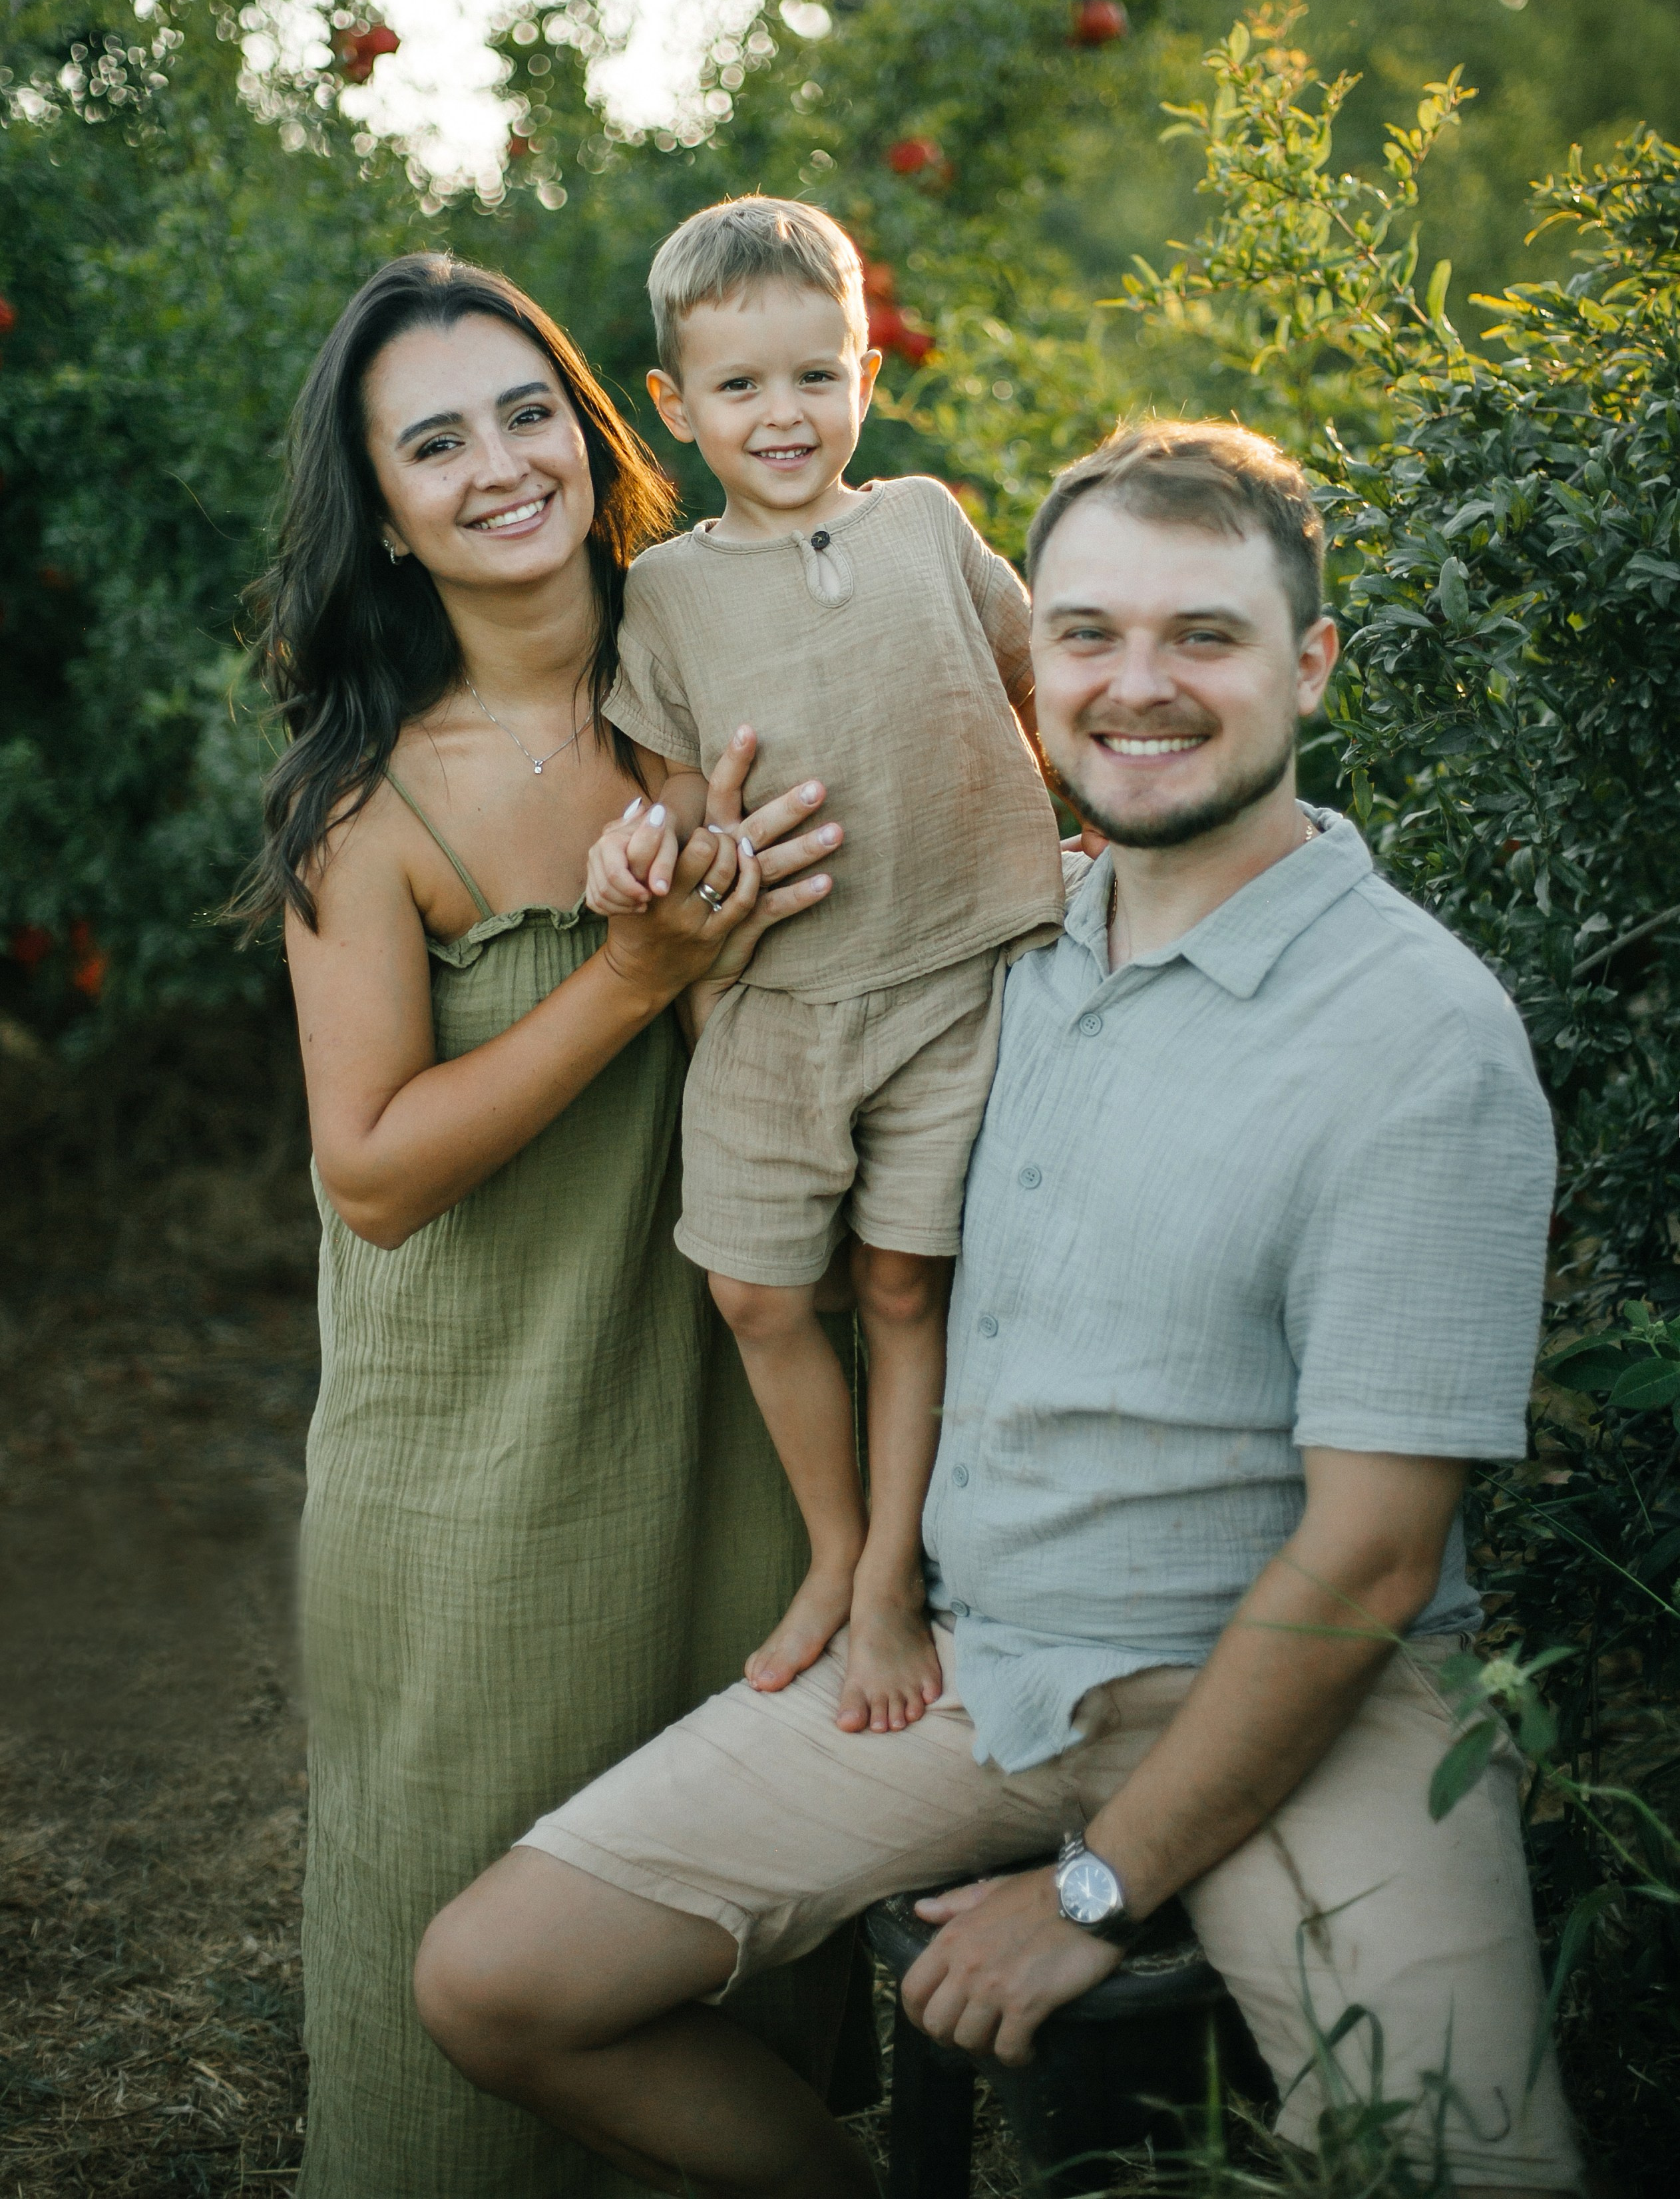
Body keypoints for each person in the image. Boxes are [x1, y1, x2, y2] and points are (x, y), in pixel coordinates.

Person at [414, 418, 1585, 2199]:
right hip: (980, 1668)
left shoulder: (1413, 1038)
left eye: (1205, 636)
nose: (1135, 686)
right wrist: (656, 883)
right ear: (1021, 653)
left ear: (1310, 664)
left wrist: (1092, 1891)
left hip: (1308, 1686)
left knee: (1458, 2172)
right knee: (497, 1983)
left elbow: (1366, 1559)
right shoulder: (1001, 946)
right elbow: (729, 956)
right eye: (1089, 634)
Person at [240, 252, 854, 2199]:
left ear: (596, 438)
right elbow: (374, 1173)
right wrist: (633, 970)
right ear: (393, 522)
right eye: (434, 443)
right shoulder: (370, 810)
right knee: (455, 2047)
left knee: (707, 1974)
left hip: (738, 1451)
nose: (496, 465)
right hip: (476, 1493)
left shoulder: (731, 691)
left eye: (526, 413)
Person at [584, 196, 1064, 1734]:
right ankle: (833, 1544)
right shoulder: (662, 594)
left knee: (904, 1282)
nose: (781, 416)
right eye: (739, 388)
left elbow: (1029, 666)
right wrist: (673, 853)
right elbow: (663, 789)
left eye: (813, 375)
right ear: (673, 405)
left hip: (948, 975)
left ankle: (887, 1585)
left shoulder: (923, 520)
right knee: (753, 1290)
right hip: (776, 1000)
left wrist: (1095, 815)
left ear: (864, 367)